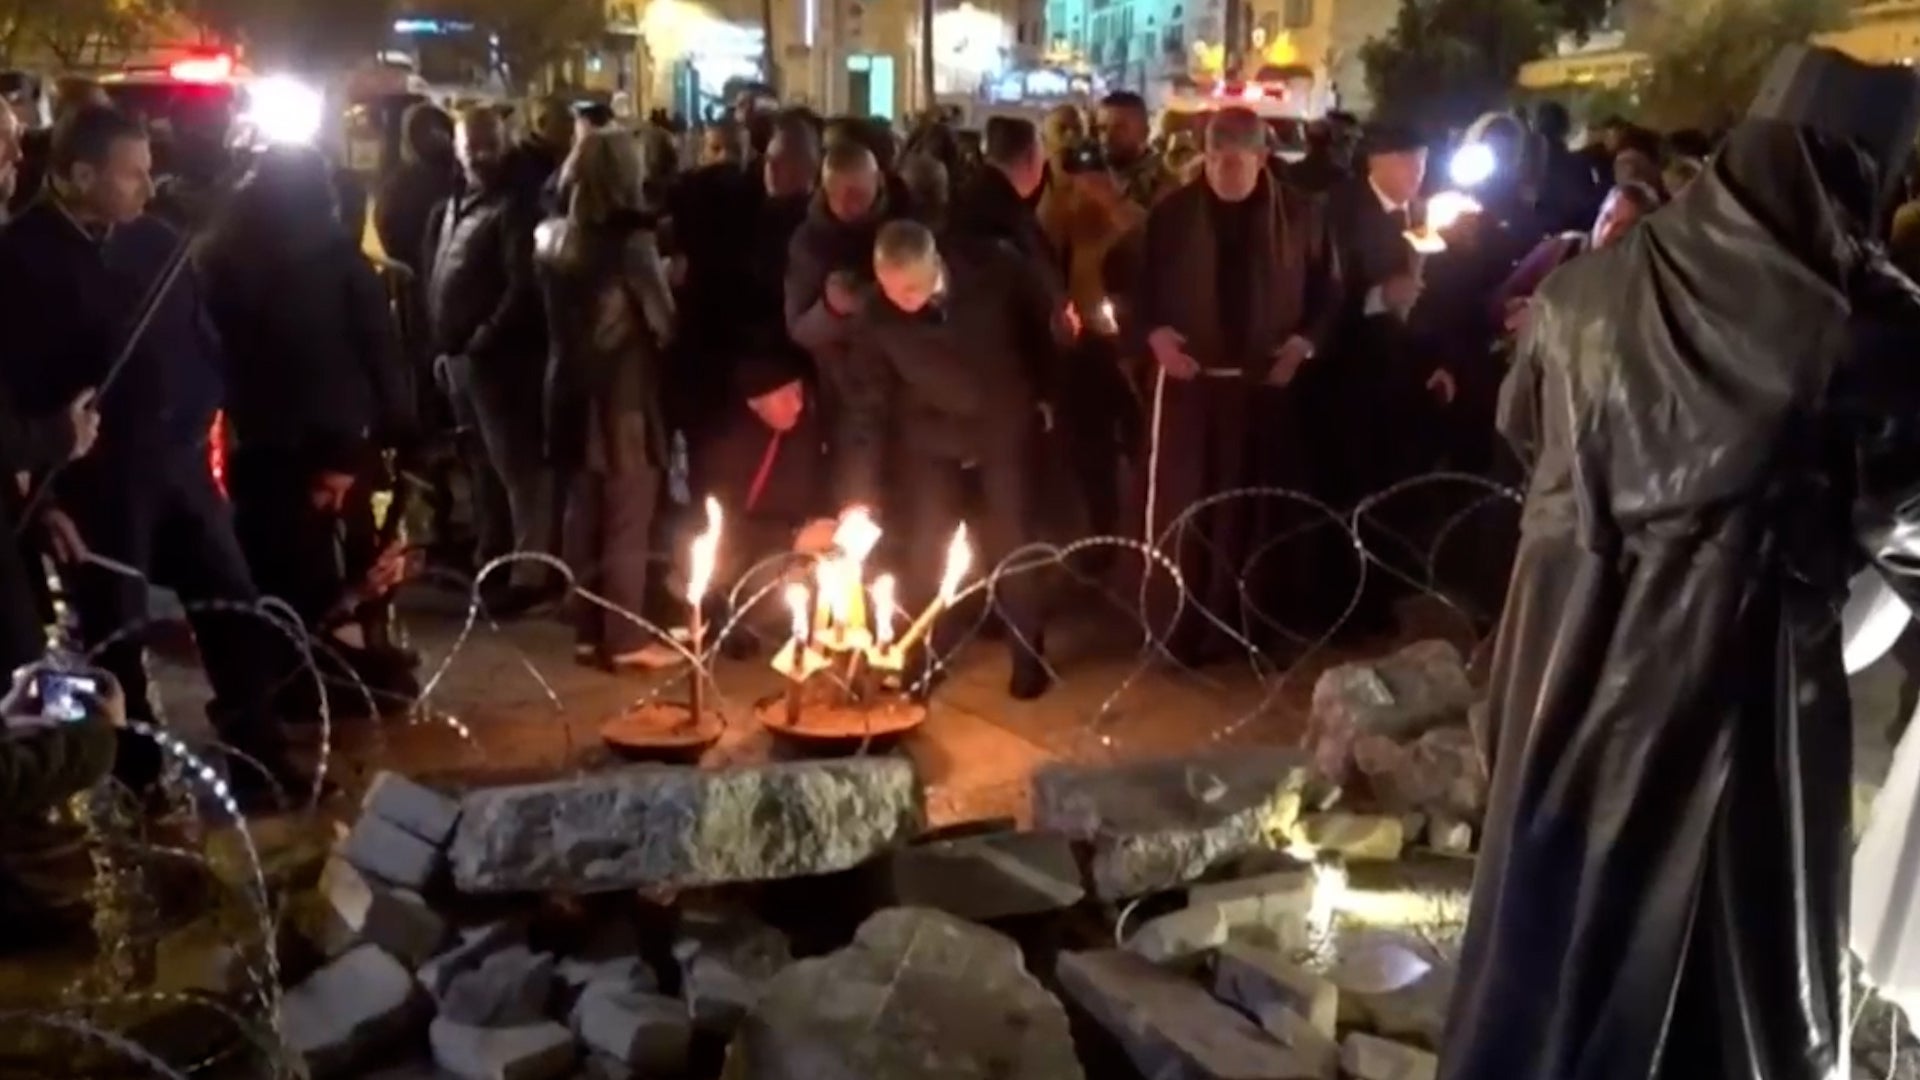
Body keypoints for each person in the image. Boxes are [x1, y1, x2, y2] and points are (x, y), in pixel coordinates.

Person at [1440, 45, 1920, 1080]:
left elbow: (1524, 436)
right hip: (1730, 704)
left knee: (1544, 926)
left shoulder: (1580, 294)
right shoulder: (1859, 333)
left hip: (1558, 664)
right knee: (1724, 978)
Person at [0, 105, 307, 801]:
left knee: (233, 604)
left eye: (149, 171)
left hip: (182, 461)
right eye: (130, 174)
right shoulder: (19, 258)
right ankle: (139, 778)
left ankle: (256, 751)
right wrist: (42, 498)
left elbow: (200, 337)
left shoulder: (159, 240)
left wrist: (207, 408)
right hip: (97, 481)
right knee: (115, 629)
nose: (147, 186)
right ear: (80, 175)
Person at [1127, 107, 1341, 663]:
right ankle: (1183, 629)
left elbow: (1328, 295)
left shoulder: (1300, 216)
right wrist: (1154, 338)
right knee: (1189, 514)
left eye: (1236, 160)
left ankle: (1255, 627)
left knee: (1259, 512)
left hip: (1264, 389)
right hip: (1191, 394)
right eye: (1215, 159)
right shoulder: (1171, 215)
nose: (1224, 172)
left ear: (1263, 157)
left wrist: (1302, 345)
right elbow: (1132, 289)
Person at [840, 220, 1062, 699]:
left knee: (1013, 541)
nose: (905, 300)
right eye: (892, 290)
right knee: (928, 546)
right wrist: (858, 493)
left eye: (914, 287)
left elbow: (1039, 330)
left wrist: (1046, 392)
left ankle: (1028, 656)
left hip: (1001, 422)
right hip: (929, 437)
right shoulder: (877, 315)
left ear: (936, 261)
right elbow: (865, 405)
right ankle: (923, 654)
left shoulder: (995, 269)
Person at [534, 130, 679, 671]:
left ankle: (589, 631)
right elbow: (663, 322)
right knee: (627, 515)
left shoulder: (549, 236)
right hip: (622, 395)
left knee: (583, 512)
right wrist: (670, 280)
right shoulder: (632, 245)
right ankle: (626, 640)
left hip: (566, 386)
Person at [426, 106, 554, 607]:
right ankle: (492, 556)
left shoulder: (515, 206)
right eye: (471, 144)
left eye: (489, 143)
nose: (480, 154)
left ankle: (530, 575)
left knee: (518, 468)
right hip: (460, 358)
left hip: (499, 362)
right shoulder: (458, 203)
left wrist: (485, 337)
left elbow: (522, 286)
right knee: (481, 465)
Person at [785, 141, 903, 418]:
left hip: (905, 395)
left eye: (858, 193)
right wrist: (830, 309)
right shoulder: (810, 243)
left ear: (879, 181)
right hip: (846, 397)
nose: (848, 203)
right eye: (837, 193)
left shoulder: (906, 227)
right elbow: (798, 329)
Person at [374, 102, 458, 274]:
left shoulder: (467, 176)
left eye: (439, 130)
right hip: (426, 277)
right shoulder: (399, 185)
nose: (435, 136)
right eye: (426, 131)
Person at [1096, 91, 1176, 207]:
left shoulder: (1166, 184)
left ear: (1145, 131)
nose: (1107, 138)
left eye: (1120, 128)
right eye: (1102, 129)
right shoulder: (1091, 179)